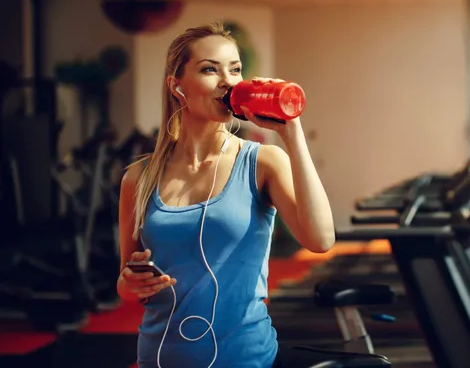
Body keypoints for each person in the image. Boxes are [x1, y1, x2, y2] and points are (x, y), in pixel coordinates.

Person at [116, 22, 336, 368]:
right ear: (177, 86)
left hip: (245, 358)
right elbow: (125, 284)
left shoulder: (262, 162)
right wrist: (133, 282)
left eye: (235, 70)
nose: (228, 81)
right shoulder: (138, 178)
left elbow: (321, 239)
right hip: (159, 358)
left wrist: (292, 135)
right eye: (209, 69)